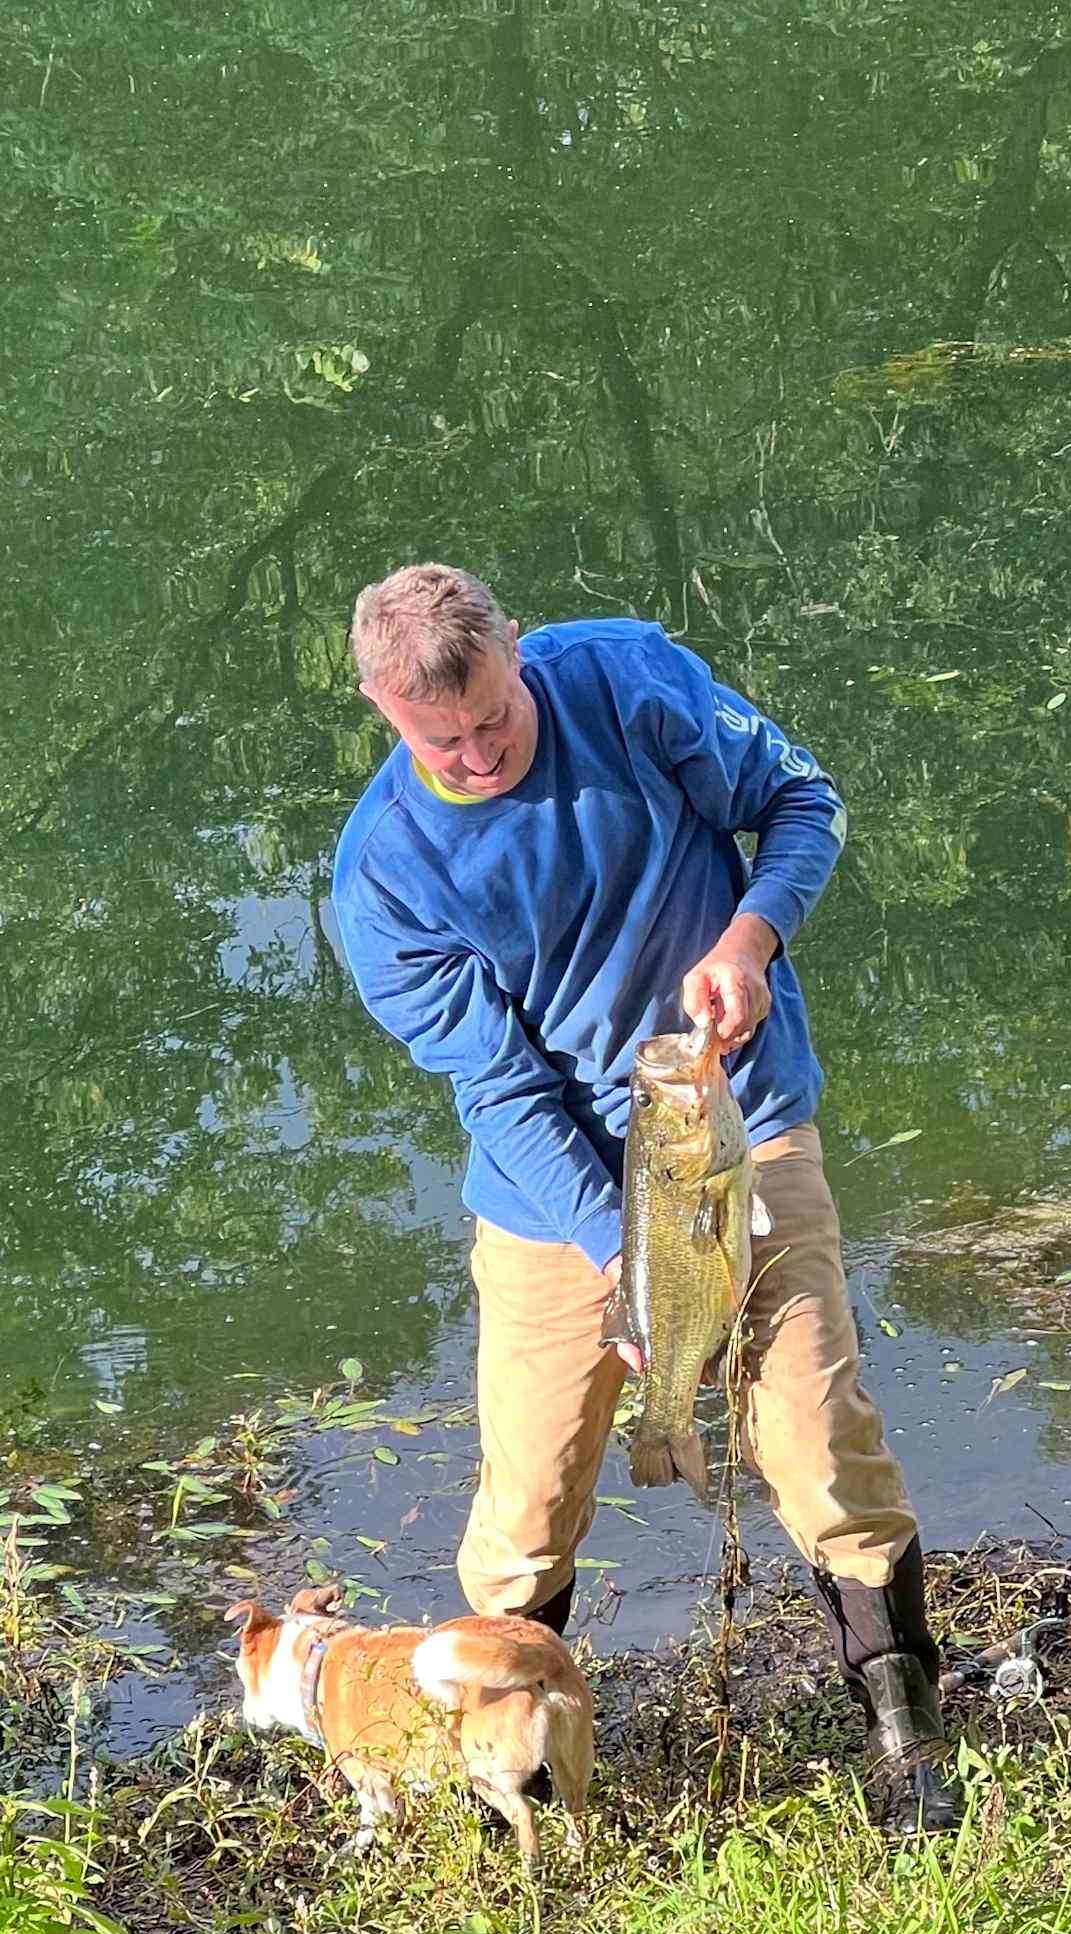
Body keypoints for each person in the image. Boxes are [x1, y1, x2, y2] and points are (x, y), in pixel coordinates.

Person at [332, 563, 959, 1833]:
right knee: (524, 1513)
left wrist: (751, 936)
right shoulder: (383, 881)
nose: (473, 755)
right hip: (549, 1187)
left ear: (517, 652)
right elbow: (501, 1089)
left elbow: (801, 800)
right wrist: (610, 1244)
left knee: (815, 1441)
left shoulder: (622, 681)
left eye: (493, 722)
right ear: (381, 708)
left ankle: (905, 1735)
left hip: (735, 1123)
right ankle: (513, 1765)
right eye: (436, 740)